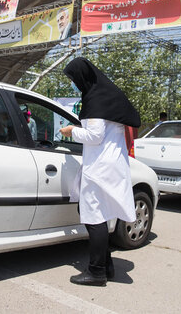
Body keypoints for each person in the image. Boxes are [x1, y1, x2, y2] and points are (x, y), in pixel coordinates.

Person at [59, 57, 140, 286]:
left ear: (83, 77)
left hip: (100, 168)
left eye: (74, 79)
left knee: (94, 217)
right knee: (99, 217)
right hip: (109, 165)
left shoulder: (95, 101)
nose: (73, 83)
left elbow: (94, 136)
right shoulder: (106, 96)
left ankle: (96, 272)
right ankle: (107, 267)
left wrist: (70, 131)